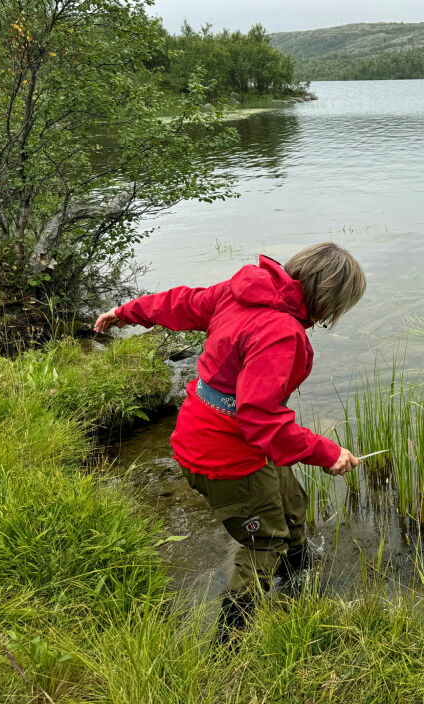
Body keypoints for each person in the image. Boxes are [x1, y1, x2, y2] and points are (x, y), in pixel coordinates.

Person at [93, 242, 366, 644]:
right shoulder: (281, 333)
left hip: (206, 433)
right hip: (224, 455)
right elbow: (258, 416)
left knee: (290, 500)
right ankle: (230, 639)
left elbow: (182, 303)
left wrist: (124, 311)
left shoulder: (243, 290)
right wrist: (327, 453)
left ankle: (298, 569)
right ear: (327, 301)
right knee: (264, 541)